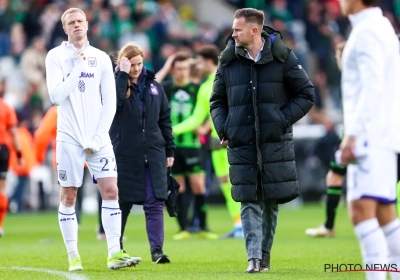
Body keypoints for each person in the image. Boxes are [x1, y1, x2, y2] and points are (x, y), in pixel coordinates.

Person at [209, 8, 314, 273]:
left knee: (270, 201)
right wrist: (225, 128)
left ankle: (264, 254)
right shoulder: (227, 60)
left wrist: (281, 119)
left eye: (237, 29)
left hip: (273, 142)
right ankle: (253, 258)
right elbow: (217, 101)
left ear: (254, 31)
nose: (232, 34)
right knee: (248, 200)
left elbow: (306, 94)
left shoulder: (283, 57)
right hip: (241, 142)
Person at [45, 7, 141, 271]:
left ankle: (114, 253)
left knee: (111, 191)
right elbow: (55, 97)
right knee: (69, 195)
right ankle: (73, 255)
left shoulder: (99, 58)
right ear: (65, 28)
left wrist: (100, 136)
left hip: (98, 137)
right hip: (69, 137)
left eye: (80, 21)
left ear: (87, 25)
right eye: (71, 22)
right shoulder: (56, 57)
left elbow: (110, 101)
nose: (76, 25)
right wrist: (75, 69)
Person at [337, 1, 400, 279]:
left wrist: (353, 134)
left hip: (370, 137)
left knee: (361, 211)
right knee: (385, 214)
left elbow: (372, 85)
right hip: (383, 135)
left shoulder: (366, 32)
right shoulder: (383, 26)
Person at [110, 42, 175, 264]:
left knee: (155, 201)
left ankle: (157, 251)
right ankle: (116, 249)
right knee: (122, 203)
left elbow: (165, 119)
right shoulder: (114, 84)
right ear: (124, 63)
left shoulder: (154, 86)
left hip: (155, 152)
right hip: (125, 154)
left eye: (139, 64)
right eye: (132, 65)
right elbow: (113, 104)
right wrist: (122, 75)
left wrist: (170, 149)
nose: (137, 69)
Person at [172, 45, 244, 239]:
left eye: (200, 60)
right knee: (225, 183)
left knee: (241, 182)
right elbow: (196, 118)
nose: (197, 64)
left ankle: (249, 223)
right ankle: (239, 225)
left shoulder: (228, 79)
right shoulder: (205, 87)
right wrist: (173, 130)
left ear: (209, 61)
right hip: (217, 142)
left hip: (235, 140)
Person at [158, 51, 219, 240]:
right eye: (178, 69)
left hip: (193, 144)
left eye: (185, 68)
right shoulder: (166, 88)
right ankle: (183, 228)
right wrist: (167, 66)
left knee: (199, 186)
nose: (182, 72)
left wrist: (206, 126)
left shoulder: (197, 89)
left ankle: (203, 227)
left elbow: (212, 108)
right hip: (173, 146)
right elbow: (151, 86)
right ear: (172, 70)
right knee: (180, 188)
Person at [305, 41, 347, 238]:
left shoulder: (354, 79)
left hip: (360, 137)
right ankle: (329, 226)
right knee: (334, 176)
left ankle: (329, 226)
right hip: (356, 135)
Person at [0, 79, 22, 236]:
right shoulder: (6, 107)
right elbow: (14, 133)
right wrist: (19, 153)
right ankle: (0, 225)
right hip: (2, 150)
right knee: (1, 188)